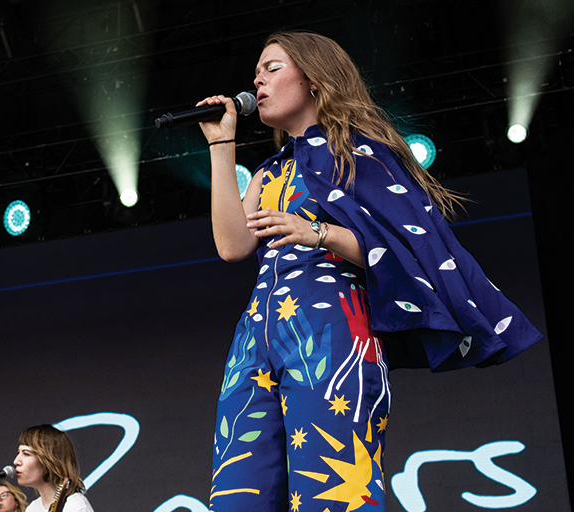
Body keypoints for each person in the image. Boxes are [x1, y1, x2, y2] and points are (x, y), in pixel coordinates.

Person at [198, 31, 542, 512]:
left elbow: (409, 248)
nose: (258, 78)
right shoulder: (268, 173)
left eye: (272, 67)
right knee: (239, 494)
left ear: (314, 79)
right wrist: (222, 145)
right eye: (257, 70)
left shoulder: (361, 153)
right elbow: (232, 246)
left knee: (332, 488)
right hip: (256, 336)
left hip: (333, 330)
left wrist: (319, 233)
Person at [13, 424, 94, 512]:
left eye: (26, 453)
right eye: (19, 452)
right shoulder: (32, 508)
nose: (16, 461)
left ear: (49, 461)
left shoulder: (76, 507)